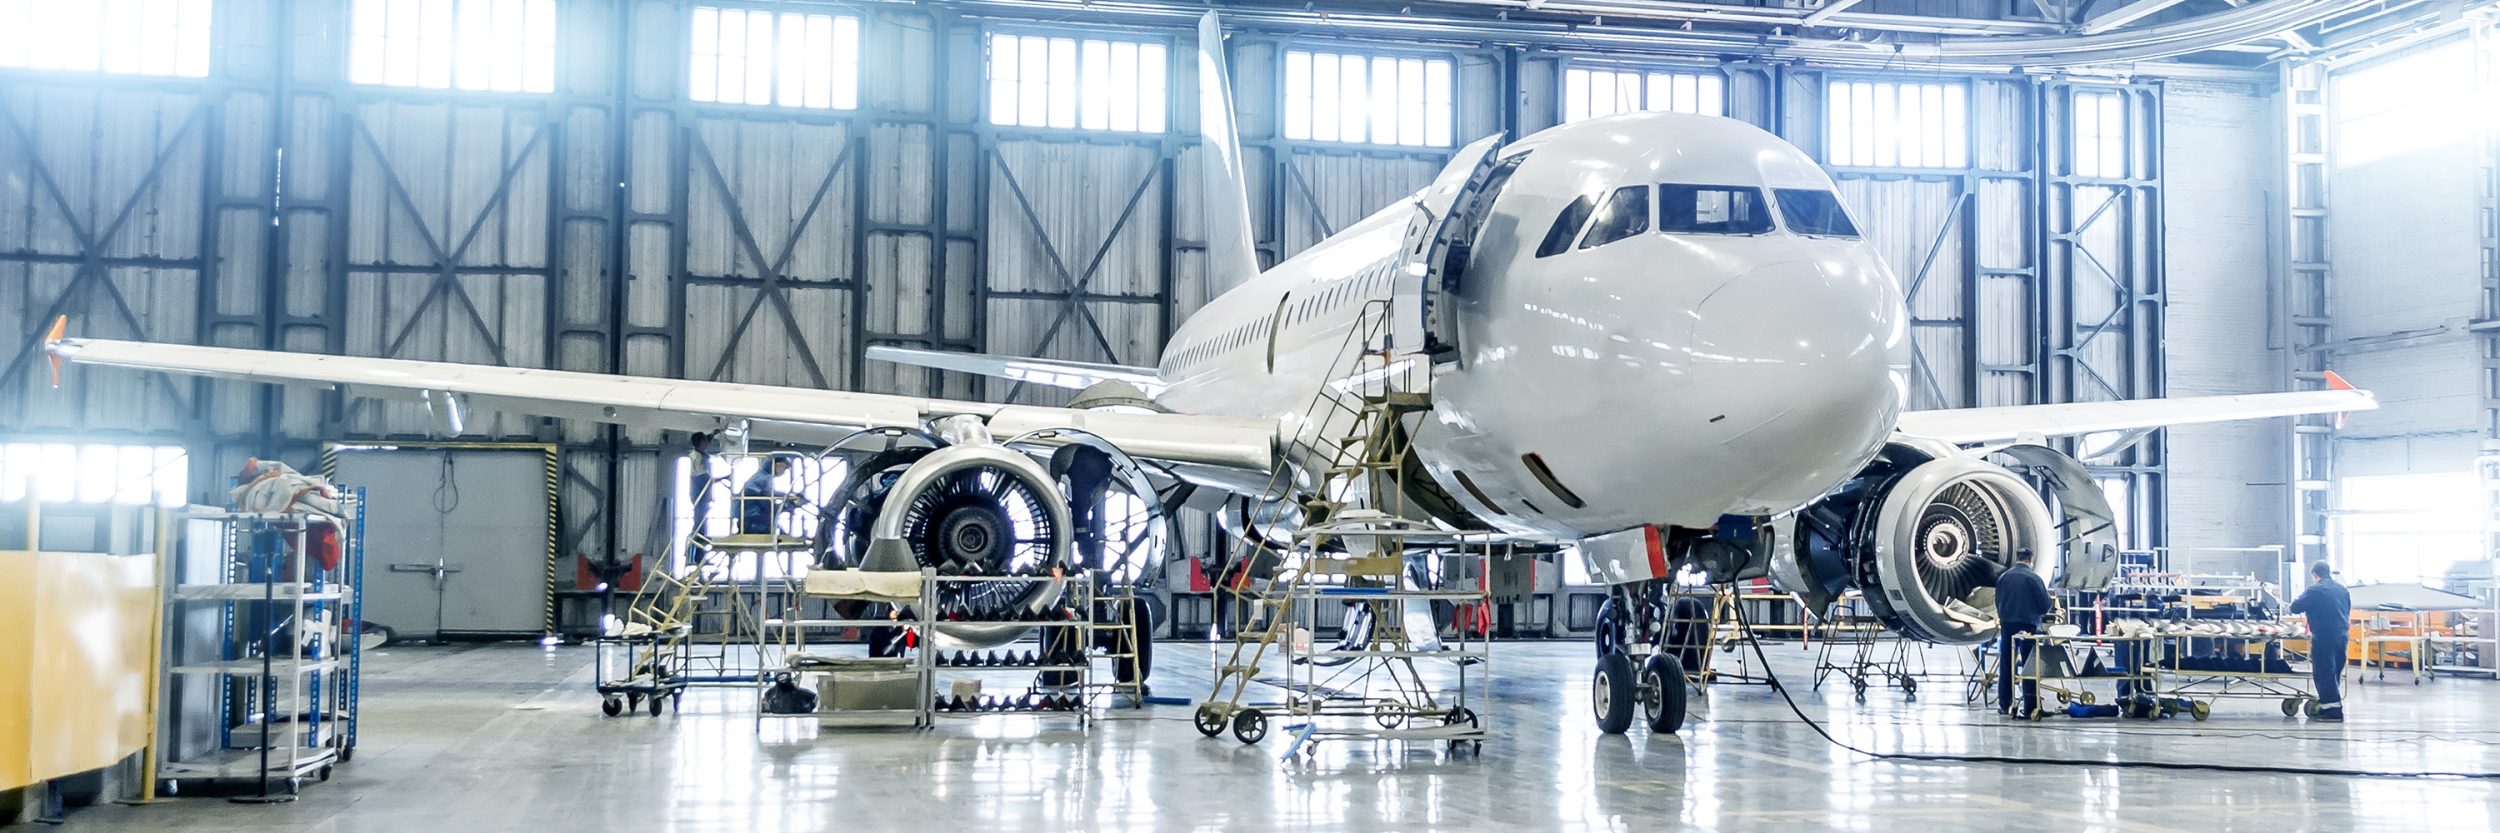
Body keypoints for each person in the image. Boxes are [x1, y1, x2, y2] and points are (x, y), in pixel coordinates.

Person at [2288, 561, 2352, 722]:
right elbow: (2347, 610)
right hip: (2342, 635)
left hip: (2324, 635)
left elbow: (2295, 607)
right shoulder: (2342, 590)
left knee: (2323, 671)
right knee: (2334, 670)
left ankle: (2332, 711)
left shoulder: (2315, 590)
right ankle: (2329, 704)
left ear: (2315, 575)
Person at [1993, 552, 2054, 717]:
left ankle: (2005, 704)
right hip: (2028, 626)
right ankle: (2031, 706)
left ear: (2017, 559)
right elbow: (2044, 605)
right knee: (2030, 665)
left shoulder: (2004, 577)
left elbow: (1996, 601)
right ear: (2030, 561)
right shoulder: (2033, 578)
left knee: (2006, 663)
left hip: (2007, 625)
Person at [740, 456, 800, 537]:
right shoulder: (766, 478)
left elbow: (768, 494)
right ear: (775, 465)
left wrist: (786, 496)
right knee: (779, 531)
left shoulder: (760, 476)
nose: (783, 471)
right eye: (783, 467)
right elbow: (767, 502)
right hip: (754, 520)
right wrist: (788, 506)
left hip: (747, 518)